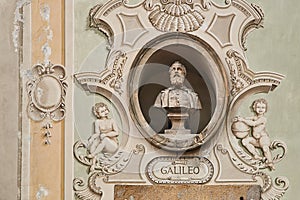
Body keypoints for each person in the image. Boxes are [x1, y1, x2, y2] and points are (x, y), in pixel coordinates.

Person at [234, 98, 274, 170]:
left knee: (265, 149)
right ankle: (256, 155)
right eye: (258, 107)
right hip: (256, 140)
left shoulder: (263, 119)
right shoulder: (255, 117)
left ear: (266, 109)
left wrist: (243, 120)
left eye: (263, 107)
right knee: (245, 141)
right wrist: (240, 119)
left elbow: (253, 124)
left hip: (263, 138)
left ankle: (270, 162)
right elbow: (248, 118)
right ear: (254, 108)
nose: (260, 109)